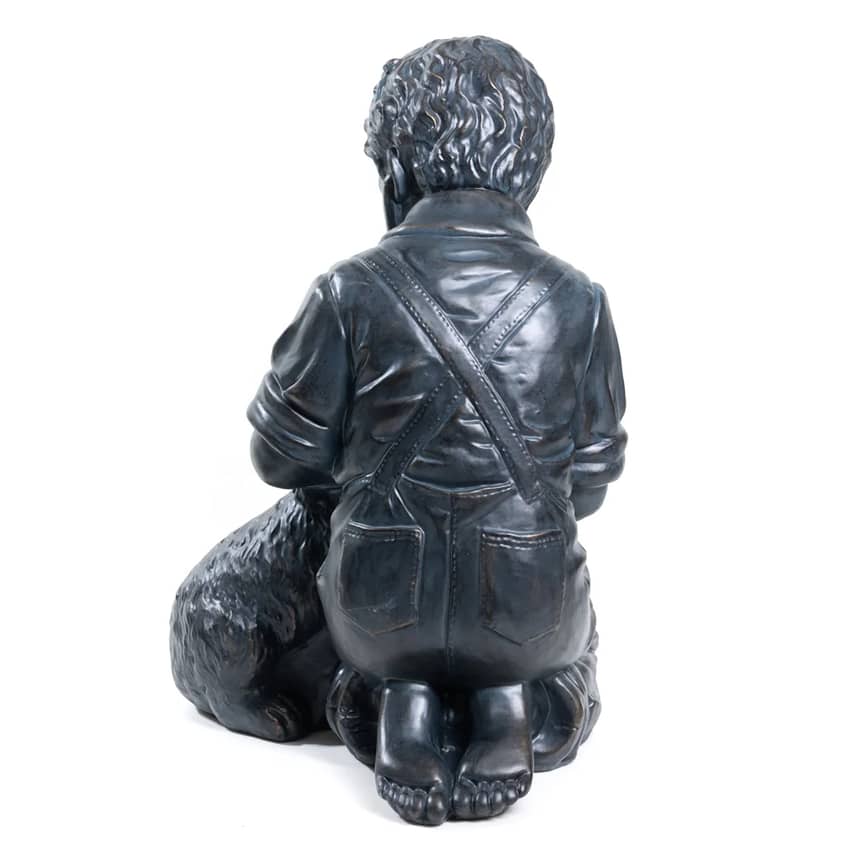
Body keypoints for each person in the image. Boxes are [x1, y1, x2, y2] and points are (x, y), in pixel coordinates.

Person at [248, 36, 626, 825]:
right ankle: (504, 704)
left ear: (398, 164)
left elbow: (278, 458)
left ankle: (405, 707)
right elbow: (589, 486)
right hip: (530, 609)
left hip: (378, 606)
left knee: (387, 617)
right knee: (543, 616)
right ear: (531, 163)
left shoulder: (346, 289)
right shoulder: (580, 301)